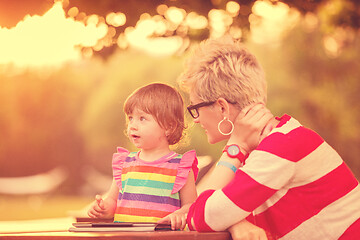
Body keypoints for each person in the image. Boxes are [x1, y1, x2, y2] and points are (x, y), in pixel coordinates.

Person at [178, 37, 360, 239]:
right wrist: (236, 222)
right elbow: (196, 209)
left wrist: (235, 146)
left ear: (222, 107)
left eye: (195, 108)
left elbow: (202, 215)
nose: (195, 120)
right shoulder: (258, 150)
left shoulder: (281, 146)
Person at [87, 83, 198, 231]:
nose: (132, 125)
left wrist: (180, 214)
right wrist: (104, 207)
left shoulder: (180, 167)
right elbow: (112, 199)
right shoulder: (124, 163)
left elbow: (191, 206)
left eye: (142, 119)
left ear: (169, 127)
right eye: (131, 118)